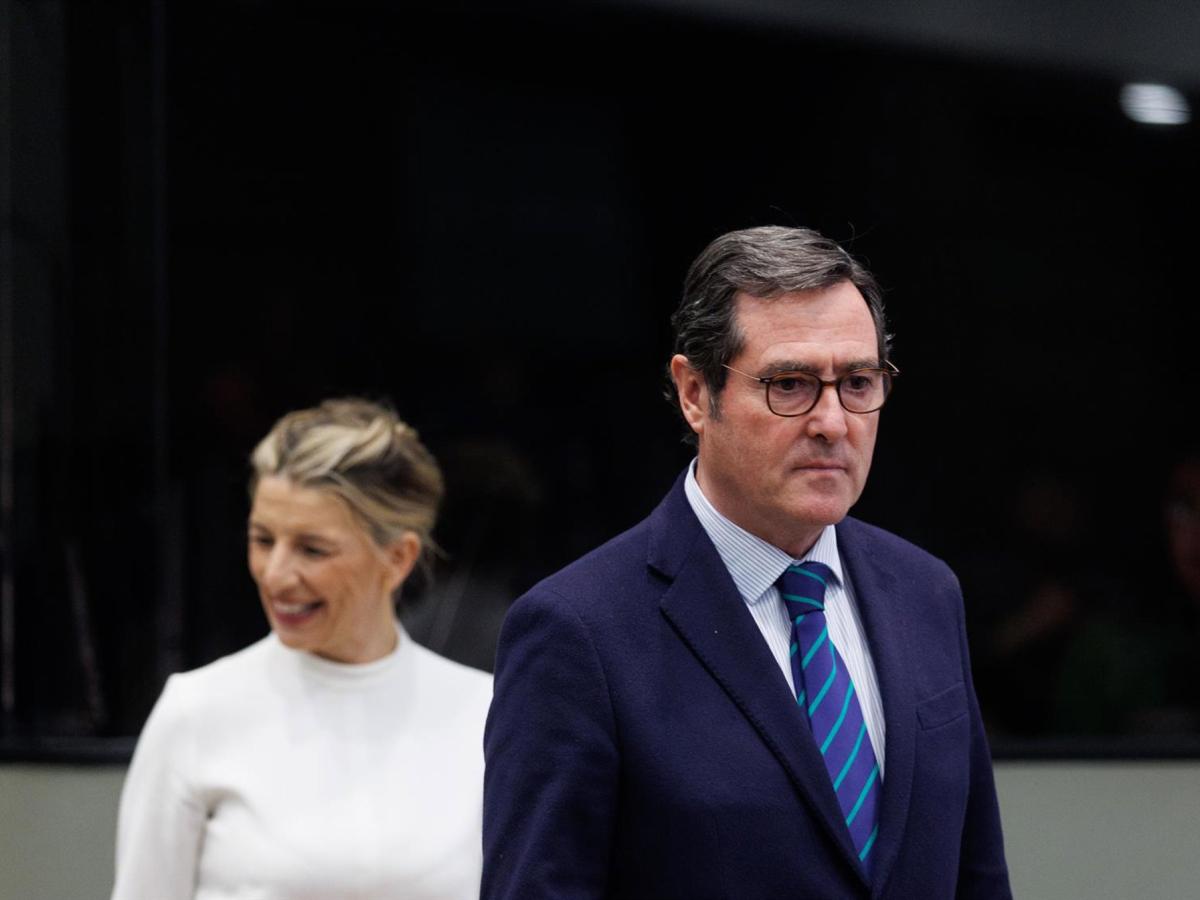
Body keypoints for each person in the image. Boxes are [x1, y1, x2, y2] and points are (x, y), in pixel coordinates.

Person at [482, 226, 1011, 899]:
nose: (833, 422)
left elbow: (976, 877)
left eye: (857, 382)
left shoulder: (925, 592)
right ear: (694, 394)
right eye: (789, 384)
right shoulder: (577, 632)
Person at [113, 398, 492, 900]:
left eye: (312, 549)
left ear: (398, 558)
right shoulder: (197, 710)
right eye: (262, 540)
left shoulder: (484, 713)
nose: (275, 576)